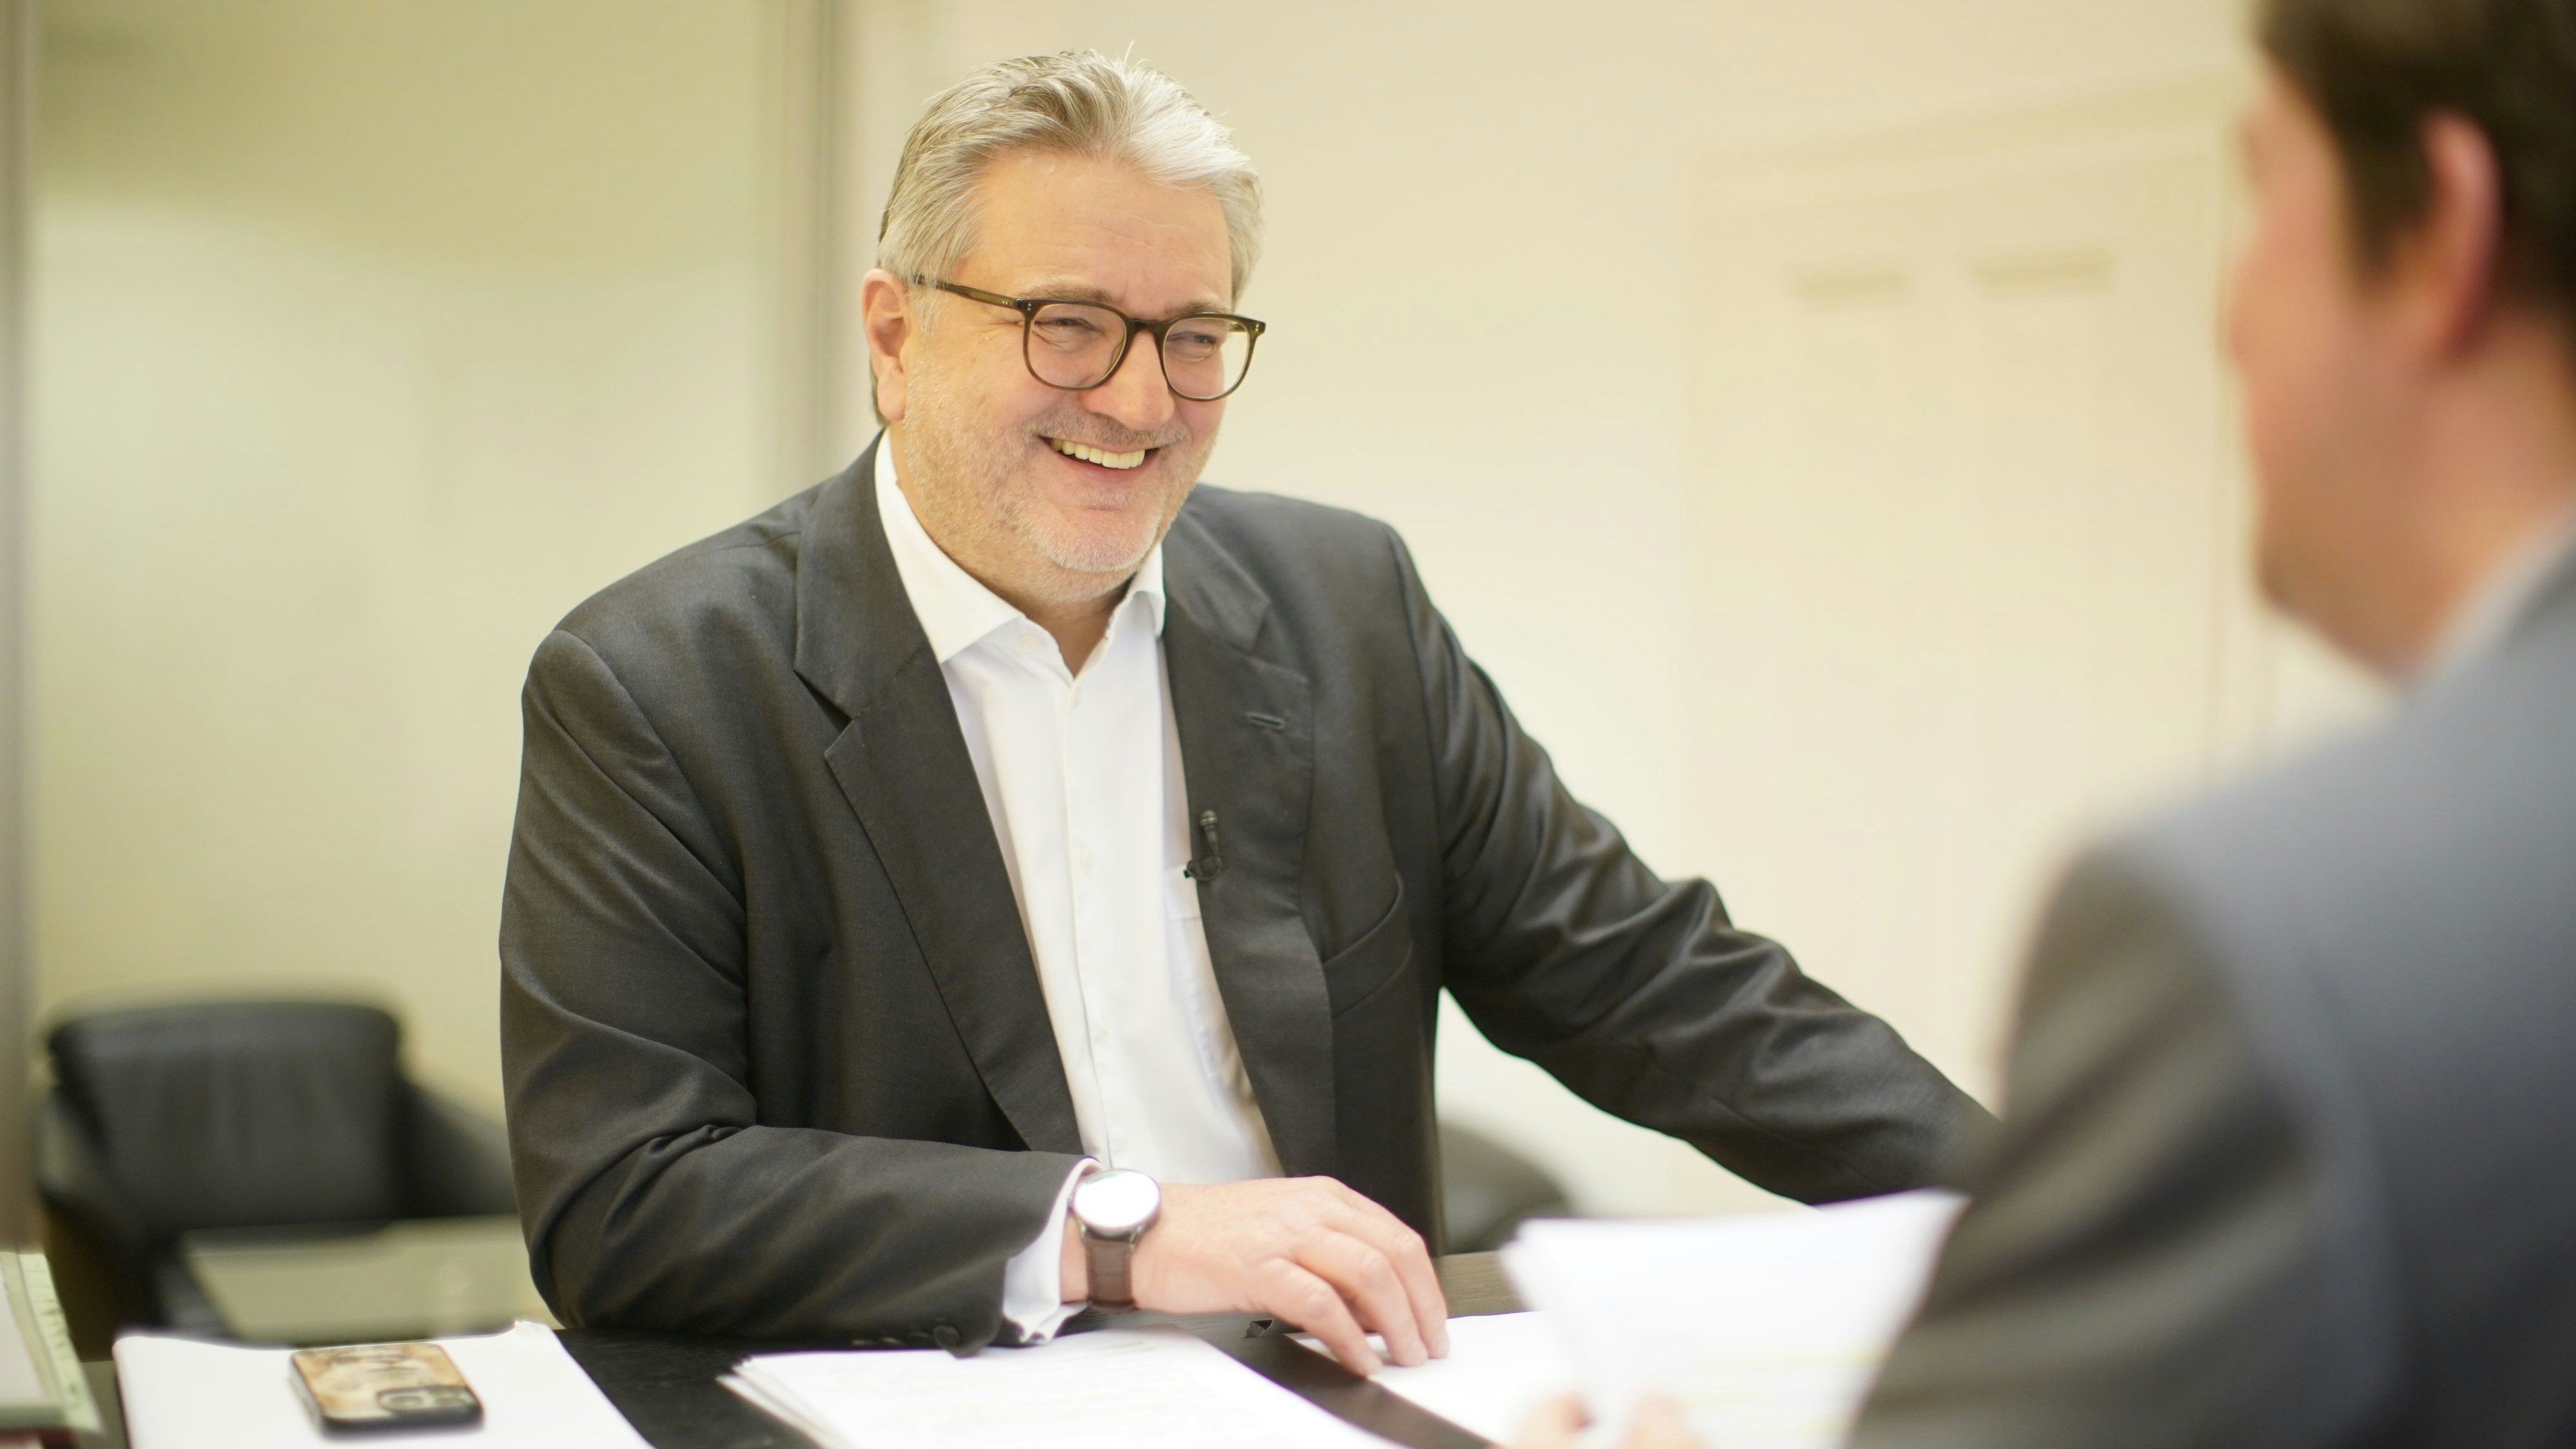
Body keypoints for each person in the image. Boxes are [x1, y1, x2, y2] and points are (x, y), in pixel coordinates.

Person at [498, 50, 1993, 1370]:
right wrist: (1116, 1233)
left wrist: (2042, 1204)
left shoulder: (1345, 606)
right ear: (894, 336)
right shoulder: (655, 682)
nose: (1142, 404)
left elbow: (1646, 979)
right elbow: (627, 1199)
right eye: (1067, 324)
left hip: (1336, 1397)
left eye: (1193, 335)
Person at [1524, 0, 2576, 1443]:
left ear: (2435, 233)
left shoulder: (2258, 939)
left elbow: (1645, 980)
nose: (2225, 308)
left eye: (2262, 191)